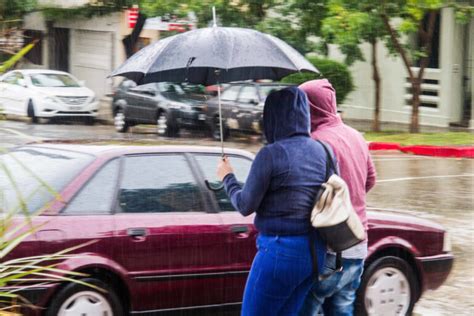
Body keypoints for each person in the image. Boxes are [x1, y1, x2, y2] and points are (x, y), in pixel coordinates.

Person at [216, 87, 332, 316]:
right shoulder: (324, 150)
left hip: (280, 252)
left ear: (273, 116)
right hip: (316, 253)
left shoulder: (271, 154)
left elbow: (245, 205)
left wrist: (227, 177)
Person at [298, 79, 377, 315]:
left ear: (310, 107)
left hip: (330, 250)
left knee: (309, 306)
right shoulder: (356, 136)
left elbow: (304, 194)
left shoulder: (314, 143)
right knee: (343, 306)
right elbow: (370, 180)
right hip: (357, 242)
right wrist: (350, 198)